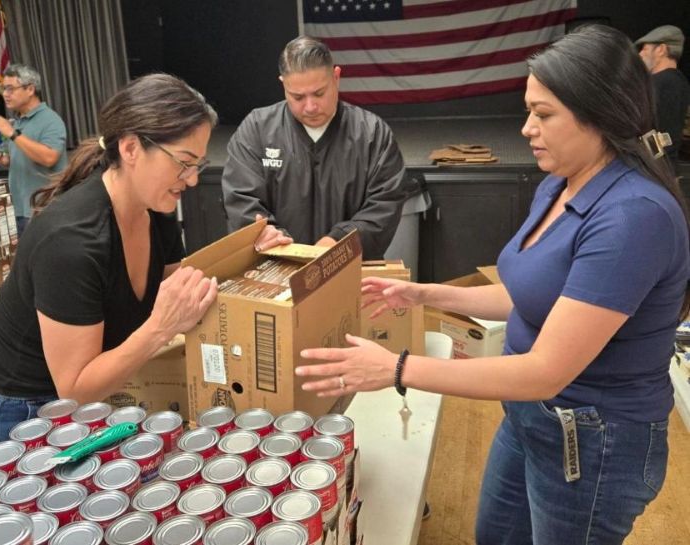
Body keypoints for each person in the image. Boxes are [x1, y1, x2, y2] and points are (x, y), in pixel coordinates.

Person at [296, 25, 690, 545]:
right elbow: (527, 295)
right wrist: (427, 294)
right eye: (528, 110)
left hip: (593, 443)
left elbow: (545, 371)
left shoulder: (633, 217)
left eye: (543, 114)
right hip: (530, 419)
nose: (527, 128)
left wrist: (396, 368)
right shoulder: (559, 183)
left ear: (600, 114)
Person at [0, 74, 219, 476]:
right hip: (10, 410)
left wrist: (249, 253)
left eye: (199, 164)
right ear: (130, 148)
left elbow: (180, 291)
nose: (193, 179)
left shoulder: (156, 210)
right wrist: (160, 329)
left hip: (83, 399)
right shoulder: (72, 240)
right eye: (183, 163)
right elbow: (74, 387)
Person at [221, 36, 407, 260]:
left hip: (346, 269)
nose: (310, 107)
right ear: (283, 84)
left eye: (319, 93)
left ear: (336, 77)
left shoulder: (372, 134)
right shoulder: (257, 130)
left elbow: (384, 205)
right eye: (297, 96)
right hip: (275, 266)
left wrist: (337, 242)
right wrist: (272, 237)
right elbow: (241, 198)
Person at [0, 64, 68, 235]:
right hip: (20, 208)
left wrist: (11, 133)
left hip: (44, 209)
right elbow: (12, 160)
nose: (5, 94)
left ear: (30, 89)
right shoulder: (18, 121)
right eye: (3, 88)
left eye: (10, 88)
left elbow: (49, 157)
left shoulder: (51, 120)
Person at [636, 25, 690, 169]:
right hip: (663, 168)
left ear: (661, 50)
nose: (640, 54)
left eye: (645, 49)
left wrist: (644, 162)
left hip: (654, 170)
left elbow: (658, 131)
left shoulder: (661, 82)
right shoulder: (680, 81)